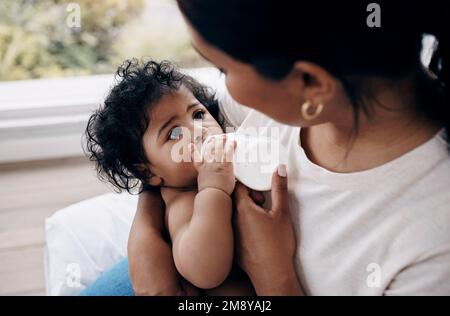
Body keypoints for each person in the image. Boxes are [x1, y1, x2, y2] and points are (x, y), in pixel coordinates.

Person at [85, 0, 450, 295]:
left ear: (310, 83)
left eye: (224, 69)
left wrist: (273, 275)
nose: (206, 116)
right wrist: (147, 241)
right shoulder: (272, 95)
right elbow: (153, 162)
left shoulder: (433, 249)